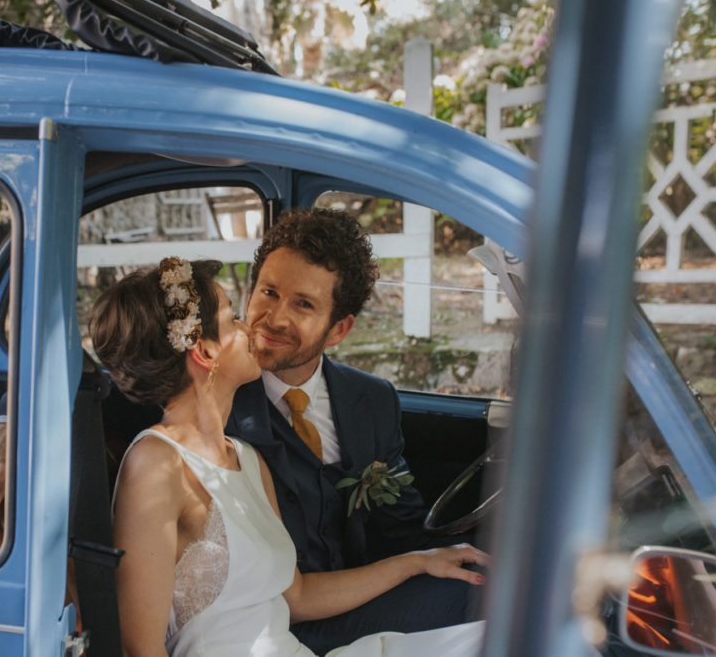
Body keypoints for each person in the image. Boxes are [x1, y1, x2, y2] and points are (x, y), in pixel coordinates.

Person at [0, 209, 481, 651]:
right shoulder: (163, 447)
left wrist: (424, 559)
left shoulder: (329, 420)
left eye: (303, 304)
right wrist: (5, 432)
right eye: (263, 294)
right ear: (203, 349)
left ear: (338, 329)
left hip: (319, 610)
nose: (263, 320)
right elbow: (84, 381)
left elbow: (376, 542)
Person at [95, 255, 486, 656]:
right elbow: (140, 648)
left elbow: (298, 597)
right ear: (205, 352)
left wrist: (418, 562)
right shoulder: (156, 464)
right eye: (233, 320)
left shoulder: (246, 459)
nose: (251, 329)